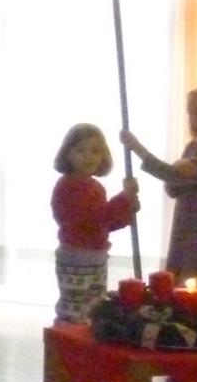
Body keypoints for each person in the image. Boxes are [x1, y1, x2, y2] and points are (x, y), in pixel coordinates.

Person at [123, 83, 197, 286]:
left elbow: (173, 177)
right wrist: (178, 171)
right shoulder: (194, 147)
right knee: (185, 273)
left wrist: (138, 149)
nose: (194, 121)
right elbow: (174, 188)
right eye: (191, 115)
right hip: (188, 223)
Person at [48, 124, 140, 325]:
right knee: (75, 306)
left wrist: (126, 213)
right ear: (68, 154)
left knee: (94, 304)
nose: (88, 156)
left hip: (95, 255)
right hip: (76, 256)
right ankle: (67, 338)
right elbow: (90, 219)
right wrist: (123, 199)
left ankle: (85, 337)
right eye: (80, 150)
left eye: (95, 151)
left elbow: (104, 224)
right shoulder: (68, 186)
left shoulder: (95, 186)